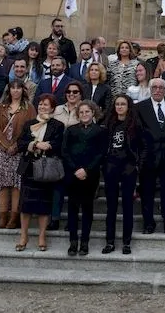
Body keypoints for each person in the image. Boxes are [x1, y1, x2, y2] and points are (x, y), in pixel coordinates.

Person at [15, 94, 64, 252]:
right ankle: (23, 236)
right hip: (29, 166)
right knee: (25, 205)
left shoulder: (57, 125)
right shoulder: (30, 123)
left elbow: (58, 144)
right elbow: (21, 143)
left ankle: (42, 235)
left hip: (45, 168)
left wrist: (48, 146)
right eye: (41, 104)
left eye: (46, 105)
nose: (43, 107)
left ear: (52, 108)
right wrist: (35, 144)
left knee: (44, 205)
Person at [0, 80, 36, 229]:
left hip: (19, 150)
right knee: (2, 184)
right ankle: (3, 217)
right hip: (1, 150)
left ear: (23, 90)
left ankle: (14, 218)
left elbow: (31, 128)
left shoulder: (29, 108)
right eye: (12, 88)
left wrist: (16, 145)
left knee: (16, 185)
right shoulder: (1, 107)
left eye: (18, 88)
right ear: (9, 91)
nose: (15, 91)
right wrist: (4, 145)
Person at [136, 78, 165, 234]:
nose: (157, 90)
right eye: (154, 87)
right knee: (147, 193)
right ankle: (149, 224)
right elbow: (137, 133)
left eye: (161, 88)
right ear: (150, 89)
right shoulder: (141, 107)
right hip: (148, 157)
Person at [63, 101, 106, 256]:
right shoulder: (71, 130)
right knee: (73, 209)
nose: (84, 115)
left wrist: (87, 170)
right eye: (81, 112)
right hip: (73, 174)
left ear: (93, 113)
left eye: (87, 112)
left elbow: (101, 153)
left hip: (90, 174)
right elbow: (65, 151)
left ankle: (85, 242)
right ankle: (73, 242)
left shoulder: (100, 131)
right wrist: (75, 169)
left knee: (88, 208)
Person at [102, 95, 142, 255]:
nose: (119, 107)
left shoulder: (135, 125)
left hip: (128, 168)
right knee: (111, 207)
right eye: (117, 104)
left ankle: (126, 242)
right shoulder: (108, 124)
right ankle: (110, 241)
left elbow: (142, 146)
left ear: (128, 106)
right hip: (111, 167)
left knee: (127, 207)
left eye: (123, 104)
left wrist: (138, 164)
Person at [48, 81, 84, 230]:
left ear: (80, 94)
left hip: (76, 155)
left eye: (75, 92)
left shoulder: (84, 110)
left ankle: (72, 220)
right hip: (58, 154)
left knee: (75, 190)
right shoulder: (56, 110)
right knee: (57, 189)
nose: (71, 94)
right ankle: (54, 219)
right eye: (69, 91)